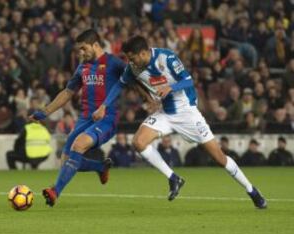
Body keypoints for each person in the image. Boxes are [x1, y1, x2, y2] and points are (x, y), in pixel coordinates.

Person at [94, 36, 267, 209]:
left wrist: (171, 87)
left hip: (187, 114)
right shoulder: (133, 68)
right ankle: (173, 178)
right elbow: (119, 84)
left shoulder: (166, 57)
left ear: (144, 53)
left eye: (132, 58)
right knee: (138, 142)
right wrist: (103, 106)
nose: (130, 62)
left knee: (219, 158)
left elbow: (188, 80)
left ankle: (251, 190)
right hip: (165, 114)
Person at [30, 29, 126, 206]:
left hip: (106, 118)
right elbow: (68, 92)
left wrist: (150, 98)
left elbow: (133, 78)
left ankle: (54, 191)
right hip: (84, 119)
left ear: (95, 45)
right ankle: (100, 167)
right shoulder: (83, 67)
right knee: (66, 162)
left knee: (79, 145)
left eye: (83, 48)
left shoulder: (114, 63)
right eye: (78, 50)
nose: (81, 53)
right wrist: (45, 111)